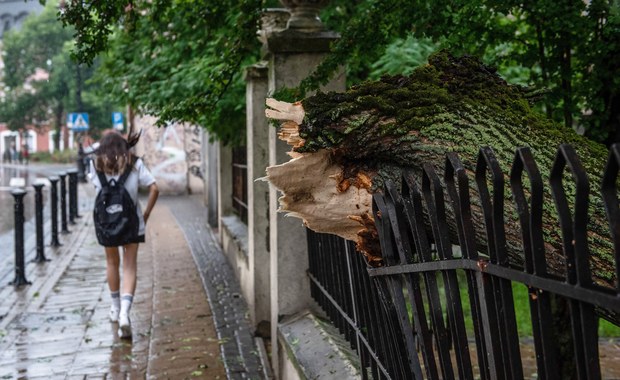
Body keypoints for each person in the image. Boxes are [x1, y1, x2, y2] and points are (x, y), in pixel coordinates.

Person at [88, 131, 159, 339]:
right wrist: (145, 214)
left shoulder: (95, 165)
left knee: (111, 263)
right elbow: (155, 188)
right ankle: (125, 315)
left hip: (106, 223)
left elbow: (95, 187)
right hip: (131, 223)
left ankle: (115, 307)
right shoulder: (135, 163)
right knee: (129, 266)